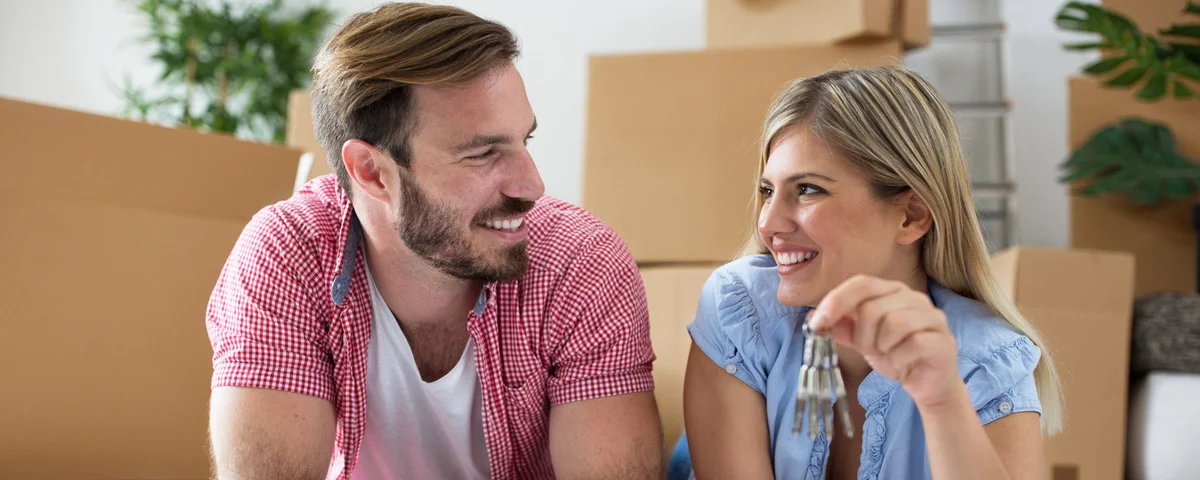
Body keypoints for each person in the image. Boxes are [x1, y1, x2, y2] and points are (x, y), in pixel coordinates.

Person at [205, 3, 663, 479]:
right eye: (483, 154)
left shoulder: (579, 263)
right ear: (372, 172)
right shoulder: (288, 253)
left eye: (523, 142)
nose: (532, 186)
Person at [676, 65, 1065, 479]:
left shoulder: (987, 361)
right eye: (767, 191)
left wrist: (942, 401)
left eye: (808, 189)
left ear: (911, 216)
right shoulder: (740, 314)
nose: (769, 224)